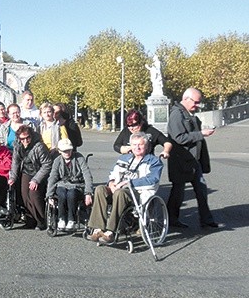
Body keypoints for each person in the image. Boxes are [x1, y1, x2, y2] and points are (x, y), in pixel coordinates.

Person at [86, 132, 163, 244]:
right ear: (130, 146)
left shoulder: (154, 161)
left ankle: (110, 231)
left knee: (120, 193)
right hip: (118, 188)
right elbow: (114, 173)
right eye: (134, 144)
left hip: (137, 193)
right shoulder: (124, 158)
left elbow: (152, 180)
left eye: (140, 145)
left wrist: (128, 183)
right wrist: (111, 182)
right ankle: (97, 229)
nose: (137, 147)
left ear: (146, 146)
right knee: (100, 189)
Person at [167, 88, 218, 229]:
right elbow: (179, 138)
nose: (197, 105)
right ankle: (171, 218)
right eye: (195, 102)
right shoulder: (176, 114)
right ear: (186, 98)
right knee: (178, 191)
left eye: (199, 103)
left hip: (193, 160)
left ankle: (206, 220)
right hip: (181, 160)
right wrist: (201, 133)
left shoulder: (188, 113)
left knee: (201, 189)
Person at [8, 125, 52, 230]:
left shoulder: (39, 146)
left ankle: (42, 220)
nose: (25, 140)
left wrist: (36, 180)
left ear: (31, 136)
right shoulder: (17, 145)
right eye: (22, 138)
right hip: (26, 171)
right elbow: (15, 162)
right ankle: (31, 220)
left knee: (34, 195)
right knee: (24, 196)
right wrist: (13, 177)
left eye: (28, 137)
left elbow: (47, 164)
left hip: (39, 172)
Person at [45, 139, 93, 231]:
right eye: (64, 151)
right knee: (61, 193)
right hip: (62, 185)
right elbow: (52, 177)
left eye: (69, 150)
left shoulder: (79, 158)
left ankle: (71, 219)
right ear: (59, 151)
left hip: (77, 185)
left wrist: (88, 193)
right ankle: (61, 218)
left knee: (71, 194)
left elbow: (87, 175)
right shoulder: (57, 161)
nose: (67, 153)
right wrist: (49, 195)